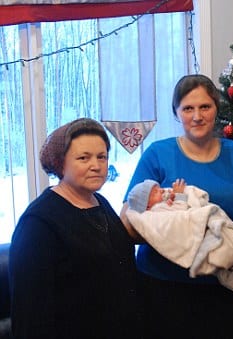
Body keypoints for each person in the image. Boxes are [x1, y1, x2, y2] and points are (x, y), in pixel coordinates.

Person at [119, 74, 233, 339]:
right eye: (188, 108)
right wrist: (173, 236)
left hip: (226, 286)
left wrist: (230, 253)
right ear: (177, 113)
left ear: (216, 109)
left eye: (205, 107)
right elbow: (129, 221)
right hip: (164, 288)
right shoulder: (157, 154)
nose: (197, 116)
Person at [9, 118, 141, 339]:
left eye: (102, 157)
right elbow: (30, 315)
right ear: (61, 163)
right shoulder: (38, 224)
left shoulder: (100, 202)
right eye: (83, 158)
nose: (96, 165)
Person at [125, 178, 233, 295]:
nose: (161, 191)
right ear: (147, 205)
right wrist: (179, 196)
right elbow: (179, 212)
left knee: (220, 232)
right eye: (155, 192)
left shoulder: (162, 204)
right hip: (166, 280)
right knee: (216, 239)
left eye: (159, 188)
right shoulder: (157, 211)